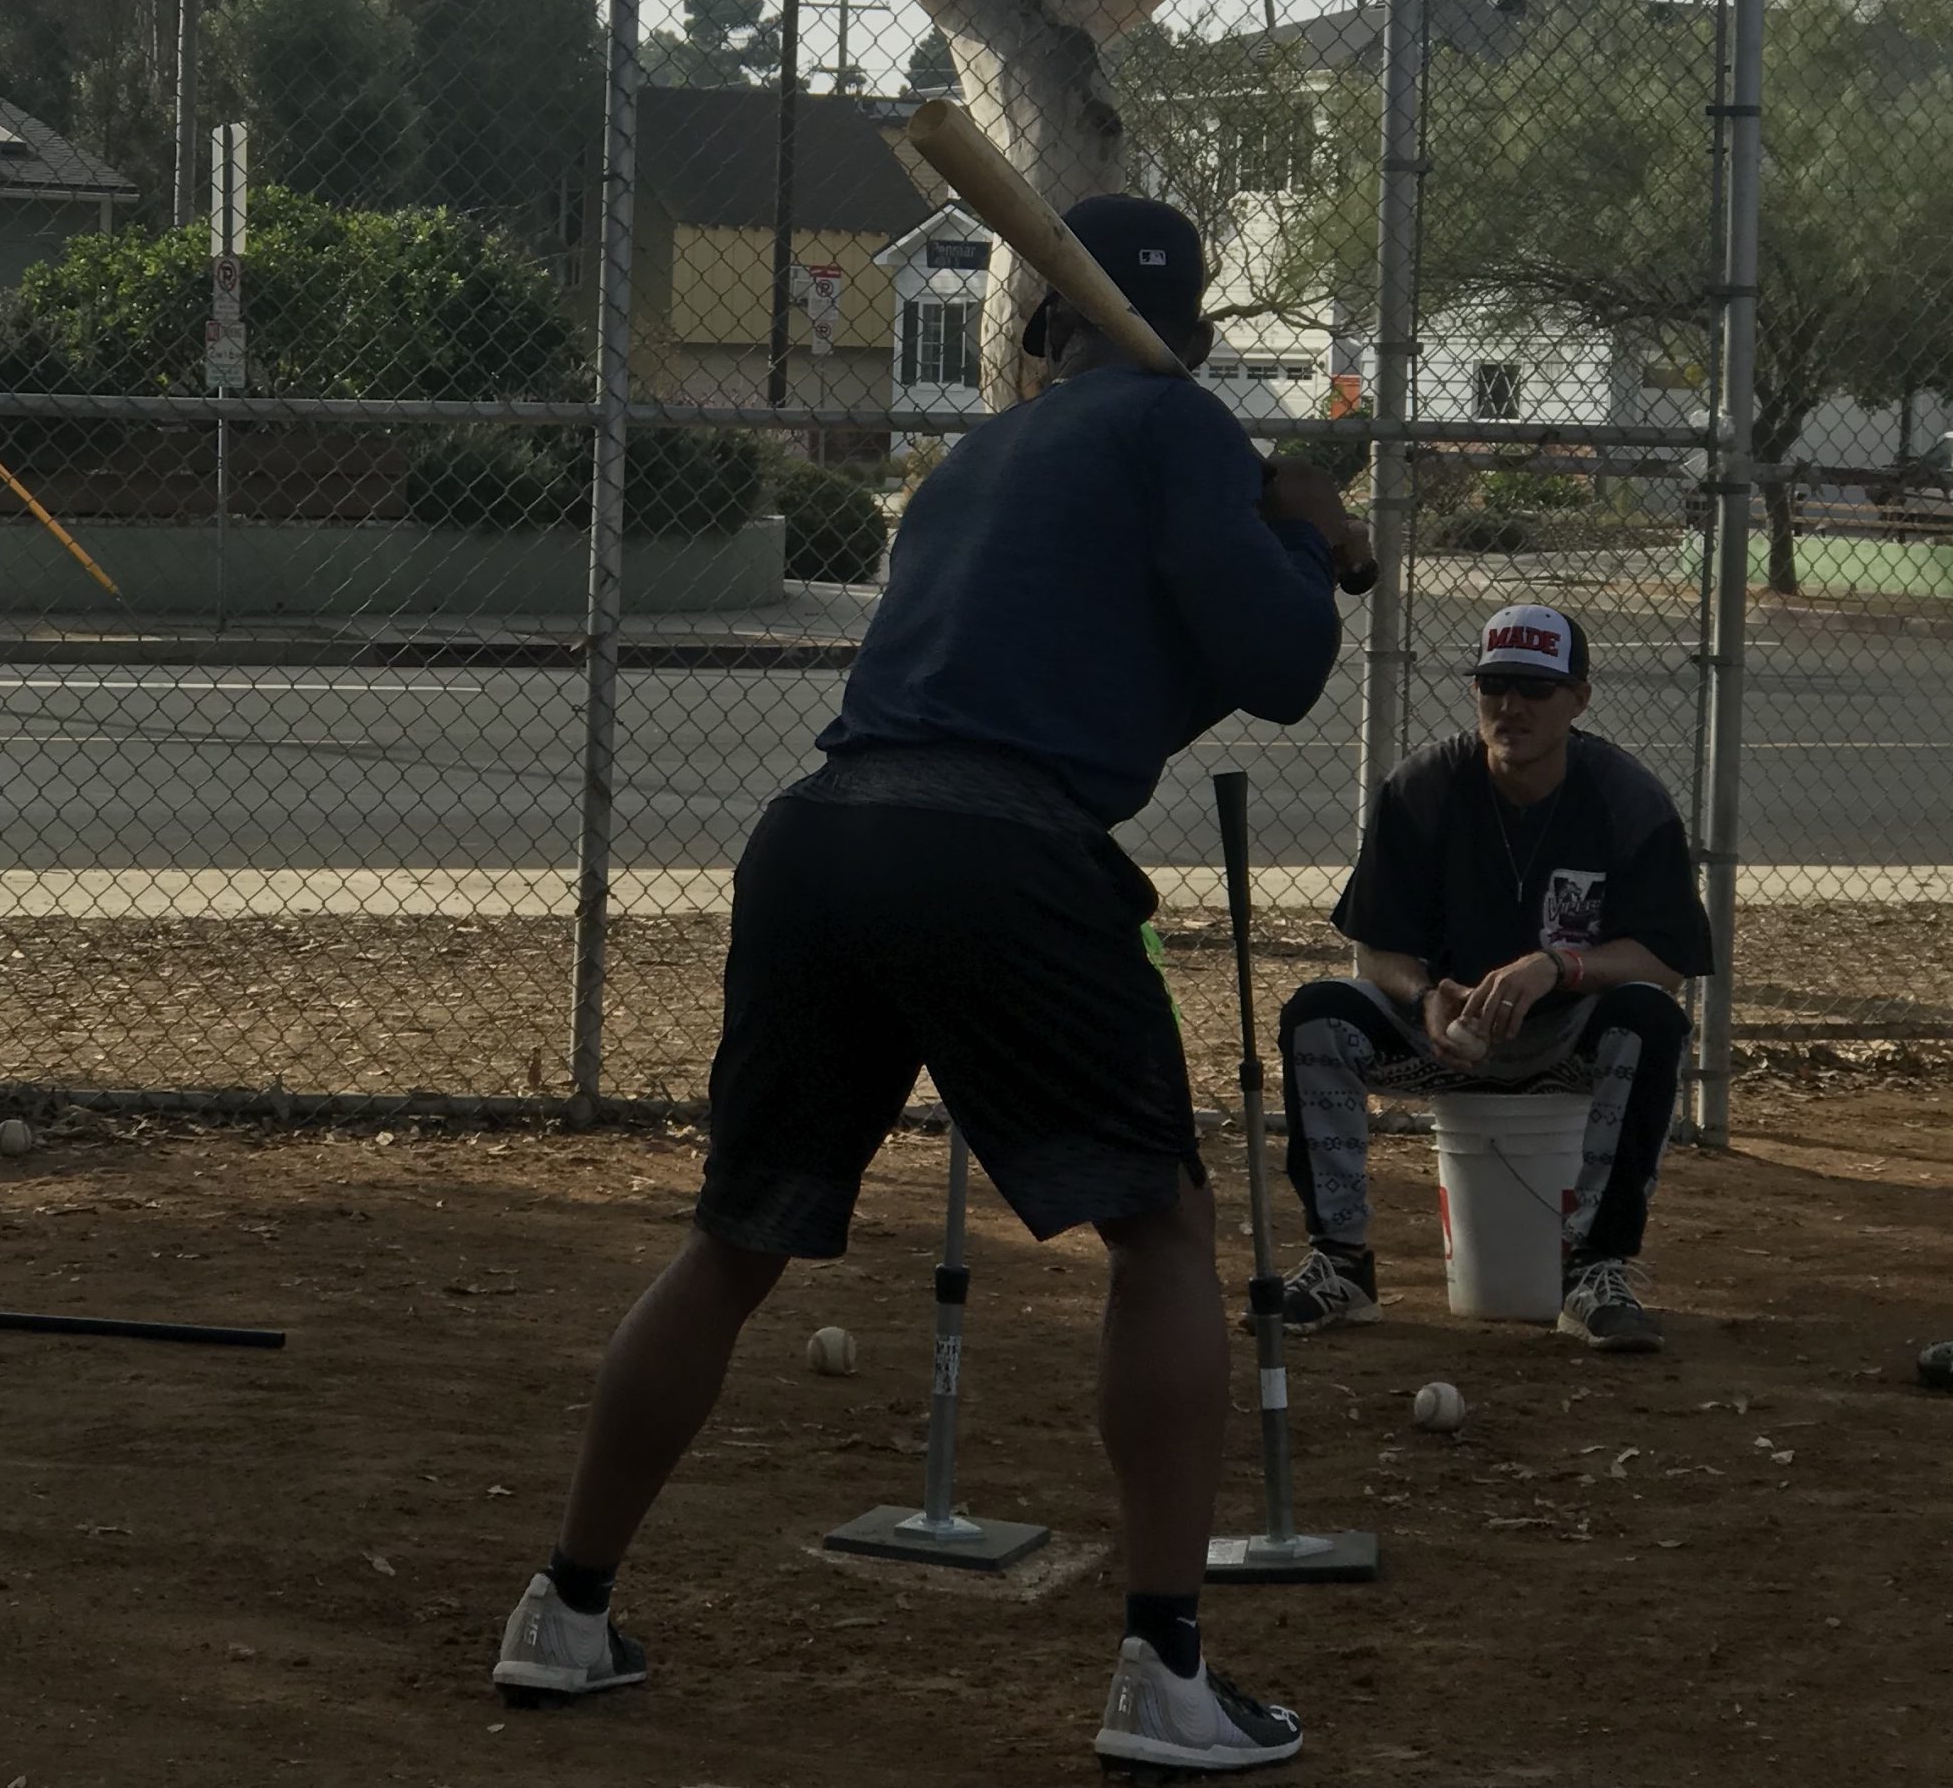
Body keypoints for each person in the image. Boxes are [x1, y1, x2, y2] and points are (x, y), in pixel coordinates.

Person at [488, 193, 1368, 1775]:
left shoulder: (977, 461)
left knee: (733, 1242)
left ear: (1040, 331)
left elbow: (1136, 655)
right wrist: (1304, 534)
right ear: (1194, 338)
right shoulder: (1176, 423)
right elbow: (1285, 669)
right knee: (1163, 1233)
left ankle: (564, 1609)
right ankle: (1166, 1673)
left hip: (823, 833)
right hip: (1000, 846)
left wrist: (1277, 522)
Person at [1272, 605, 1717, 1354]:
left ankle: (1597, 1270)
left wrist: (1560, 966)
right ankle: (1340, 1262)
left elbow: (1668, 958)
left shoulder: (1626, 798)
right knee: (1317, 1012)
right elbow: (1378, 948)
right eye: (1494, 685)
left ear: (1579, 699)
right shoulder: (1423, 787)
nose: (1511, 707)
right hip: (1442, 1038)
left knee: (1650, 1018)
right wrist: (1424, 997)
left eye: (1536, 689)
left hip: (1568, 1037)